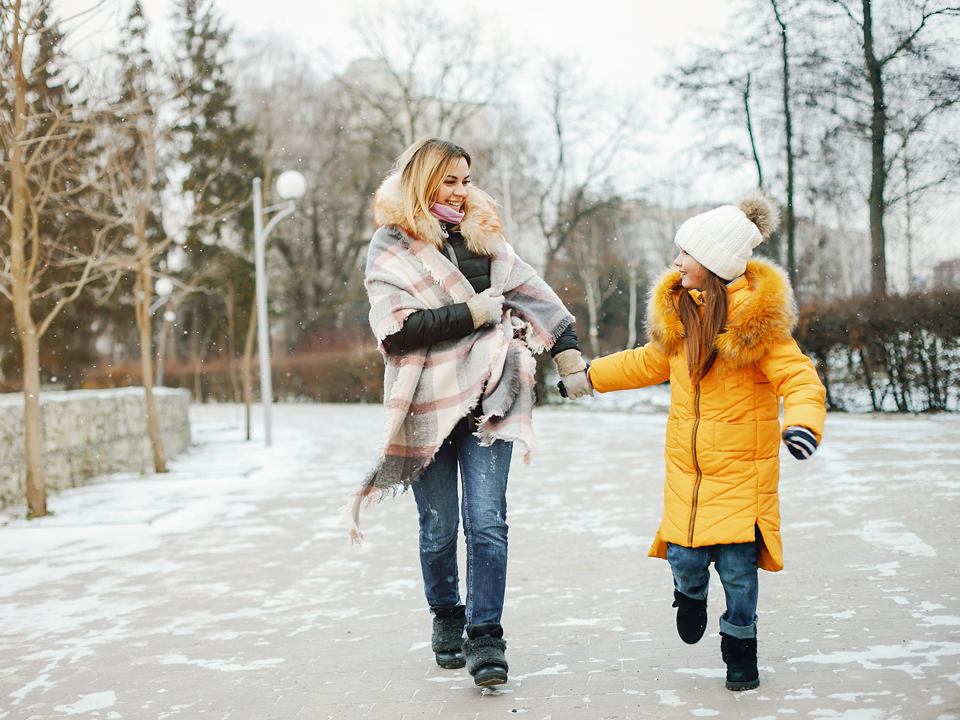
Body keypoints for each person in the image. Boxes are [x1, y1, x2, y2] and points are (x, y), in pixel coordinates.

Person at [348, 138, 591, 687]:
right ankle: (446, 615)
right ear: (421, 181)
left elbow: (536, 295)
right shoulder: (391, 246)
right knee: (438, 529)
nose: (461, 191)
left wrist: (568, 348)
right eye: (449, 180)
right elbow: (397, 330)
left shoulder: (485, 237)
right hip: (425, 404)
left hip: (491, 401)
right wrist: (473, 311)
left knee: (487, 524)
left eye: (465, 180)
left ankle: (486, 636)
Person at [582, 192, 826, 691]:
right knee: (685, 559)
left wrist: (802, 424)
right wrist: (589, 376)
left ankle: (740, 647)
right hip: (688, 479)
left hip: (742, 478)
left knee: (739, 574)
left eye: (685, 254)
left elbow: (800, 381)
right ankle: (690, 595)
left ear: (713, 264)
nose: (676, 263)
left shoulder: (759, 332)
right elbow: (643, 363)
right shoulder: (680, 318)